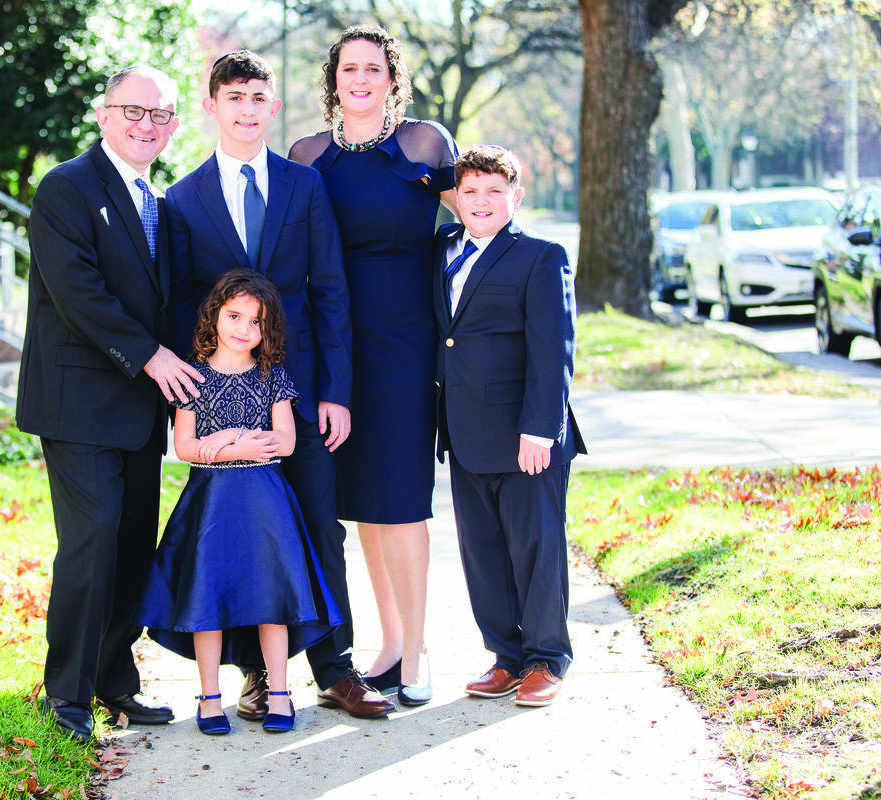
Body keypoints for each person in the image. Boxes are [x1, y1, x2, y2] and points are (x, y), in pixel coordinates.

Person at [167, 50, 393, 719]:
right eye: (233, 97)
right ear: (212, 106)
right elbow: (185, 307)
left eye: (259, 97)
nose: (247, 109)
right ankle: (256, 676)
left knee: (321, 524)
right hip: (226, 401)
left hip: (305, 389)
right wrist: (201, 405)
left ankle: (336, 665)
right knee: (238, 536)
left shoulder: (304, 185)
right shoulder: (183, 199)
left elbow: (331, 290)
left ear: (274, 106)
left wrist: (337, 391)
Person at [16, 65, 205, 742]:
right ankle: (65, 695)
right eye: (135, 111)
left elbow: (168, 303)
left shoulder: (157, 203)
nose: (147, 125)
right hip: (75, 401)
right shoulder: (66, 188)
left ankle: (115, 683)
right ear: (103, 114)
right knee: (92, 540)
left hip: (136, 408)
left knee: (130, 549)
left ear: (175, 125)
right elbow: (78, 293)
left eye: (161, 115)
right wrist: (153, 357)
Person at [288, 24, 457, 705]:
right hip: (336, 348)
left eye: (372, 68)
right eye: (348, 68)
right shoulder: (306, 154)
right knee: (363, 506)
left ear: (392, 79)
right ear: (334, 81)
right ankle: (387, 646)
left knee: (402, 502)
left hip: (406, 344)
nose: (359, 78)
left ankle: (414, 655)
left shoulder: (424, 144)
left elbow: (475, 211)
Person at [138, 269, 344, 735]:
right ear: (215, 316)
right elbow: (185, 447)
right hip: (210, 504)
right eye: (235, 316)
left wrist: (236, 447)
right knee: (206, 598)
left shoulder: (273, 376)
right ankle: (210, 698)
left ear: (267, 332)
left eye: (256, 323)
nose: (243, 329)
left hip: (265, 505)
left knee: (273, 599)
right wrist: (231, 440)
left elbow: (286, 441)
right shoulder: (194, 376)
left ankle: (279, 694)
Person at [431, 144, 586, 708]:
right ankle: (507, 656)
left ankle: (546, 658)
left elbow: (554, 350)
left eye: (494, 191)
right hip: (466, 431)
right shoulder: (444, 248)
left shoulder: (540, 256)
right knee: (483, 551)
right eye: (469, 191)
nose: (481, 201)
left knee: (535, 549)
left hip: (526, 435)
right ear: (456, 199)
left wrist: (541, 430)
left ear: (515, 197)